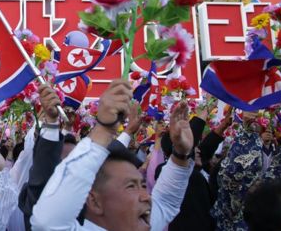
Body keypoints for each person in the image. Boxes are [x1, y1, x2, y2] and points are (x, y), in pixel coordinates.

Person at [30, 79, 195, 230]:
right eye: (130, 186)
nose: (146, 197)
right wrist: (104, 129)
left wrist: (181, 155)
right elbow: (47, 223)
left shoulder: (142, 223)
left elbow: (166, 203)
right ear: (94, 201)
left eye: (143, 185)